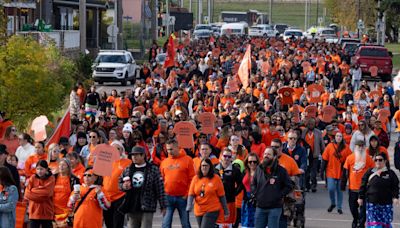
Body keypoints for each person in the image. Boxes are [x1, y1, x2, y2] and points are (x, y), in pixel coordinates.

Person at [119, 146, 167, 228]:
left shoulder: (153, 169)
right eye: (132, 155)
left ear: (143, 155)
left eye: (136, 155)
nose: (134, 157)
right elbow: (119, 183)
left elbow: (160, 188)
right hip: (131, 206)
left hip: (147, 206)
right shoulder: (128, 169)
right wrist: (123, 186)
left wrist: (163, 205)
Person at [251, 147, 293, 228]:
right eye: (265, 154)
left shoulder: (281, 171)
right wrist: (256, 194)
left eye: (269, 154)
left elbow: (289, 186)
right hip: (260, 207)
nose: (266, 156)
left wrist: (279, 195)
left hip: (275, 208)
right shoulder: (259, 168)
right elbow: (253, 184)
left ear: (274, 157)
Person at [358, 153, 400, 228]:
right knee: (375, 225)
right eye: (376, 160)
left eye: (380, 160)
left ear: (385, 161)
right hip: (372, 204)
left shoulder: (390, 173)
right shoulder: (370, 172)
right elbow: (363, 184)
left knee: (385, 225)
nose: (378, 161)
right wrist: (360, 197)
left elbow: (395, 187)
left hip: (386, 205)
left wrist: (395, 197)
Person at [160, 139, 195, 228]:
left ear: (177, 147)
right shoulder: (164, 162)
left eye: (171, 149)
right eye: (168, 149)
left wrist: (187, 194)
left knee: (185, 224)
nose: (169, 151)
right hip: (168, 197)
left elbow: (192, 179)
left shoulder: (188, 160)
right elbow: (161, 180)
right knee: (165, 224)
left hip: (182, 197)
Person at [186, 158, 229, 228]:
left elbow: (222, 196)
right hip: (199, 210)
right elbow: (191, 194)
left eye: (206, 165)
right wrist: (189, 206)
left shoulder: (216, 178)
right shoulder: (195, 178)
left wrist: (226, 210)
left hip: (212, 209)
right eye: (202, 165)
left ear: (210, 167)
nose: (204, 167)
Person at [341, 140, 374, 228]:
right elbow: (345, 172)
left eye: (362, 146)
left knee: (364, 209)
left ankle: (361, 223)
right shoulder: (350, 158)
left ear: (364, 147)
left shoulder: (368, 158)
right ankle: (356, 219)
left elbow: (373, 172)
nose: (360, 148)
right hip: (353, 188)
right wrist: (343, 185)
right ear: (355, 147)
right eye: (358, 146)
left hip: (365, 189)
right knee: (353, 208)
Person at [103, 140, 132, 228]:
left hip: (120, 196)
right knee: (108, 223)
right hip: (106, 197)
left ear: (121, 150)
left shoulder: (127, 162)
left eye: (118, 148)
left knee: (118, 223)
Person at [321, 132, 352, 214]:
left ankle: (339, 207)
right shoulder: (329, 146)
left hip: (341, 172)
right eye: (337, 136)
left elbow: (350, 159)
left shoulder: (346, 147)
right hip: (330, 171)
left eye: (340, 136)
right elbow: (324, 159)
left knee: (340, 190)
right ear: (335, 137)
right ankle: (333, 203)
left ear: (342, 138)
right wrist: (321, 170)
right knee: (331, 189)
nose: (338, 137)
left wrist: (349, 172)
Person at [214, 148, 243, 227]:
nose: (226, 158)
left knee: (227, 224)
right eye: (225, 156)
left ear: (231, 158)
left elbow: (241, 184)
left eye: (229, 157)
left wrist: (235, 193)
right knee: (216, 224)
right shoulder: (214, 169)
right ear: (221, 156)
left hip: (229, 202)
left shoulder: (235, 170)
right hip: (216, 202)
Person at [24, 160, 55, 228]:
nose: (39, 171)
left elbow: (47, 193)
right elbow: (27, 194)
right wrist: (40, 192)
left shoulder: (51, 178)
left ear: (46, 169)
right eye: (37, 169)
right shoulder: (33, 178)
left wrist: (33, 190)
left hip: (46, 212)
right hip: (34, 212)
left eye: (41, 169)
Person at [53, 158, 80, 227]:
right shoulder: (53, 177)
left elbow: (77, 197)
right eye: (60, 165)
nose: (61, 167)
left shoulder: (74, 179)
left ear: (68, 167)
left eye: (64, 165)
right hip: (53, 212)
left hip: (67, 212)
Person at [301, 118, 325, 192]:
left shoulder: (318, 132)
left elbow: (322, 144)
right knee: (306, 172)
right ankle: (307, 186)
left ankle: (313, 185)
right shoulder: (304, 131)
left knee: (313, 172)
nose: (310, 125)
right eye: (309, 124)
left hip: (314, 155)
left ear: (315, 125)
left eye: (312, 124)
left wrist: (323, 153)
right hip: (306, 156)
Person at [241, 153, 260, 228]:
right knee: (245, 224)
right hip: (246, 200)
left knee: (256, 223)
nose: (252, 163)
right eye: (250, 162)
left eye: (254, 162)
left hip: (256, 200)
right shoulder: (245, 172)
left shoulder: (260, 173)